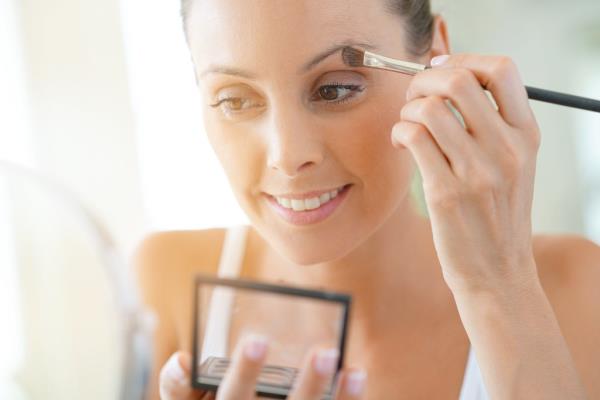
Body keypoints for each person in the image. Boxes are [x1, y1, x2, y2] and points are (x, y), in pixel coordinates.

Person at [134, 1, 600, 399]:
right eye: (235, 99)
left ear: (437, 58)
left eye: (335, 89)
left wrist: (496, 284)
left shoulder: (574, 287)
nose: (288, 156)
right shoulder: (165, 282)